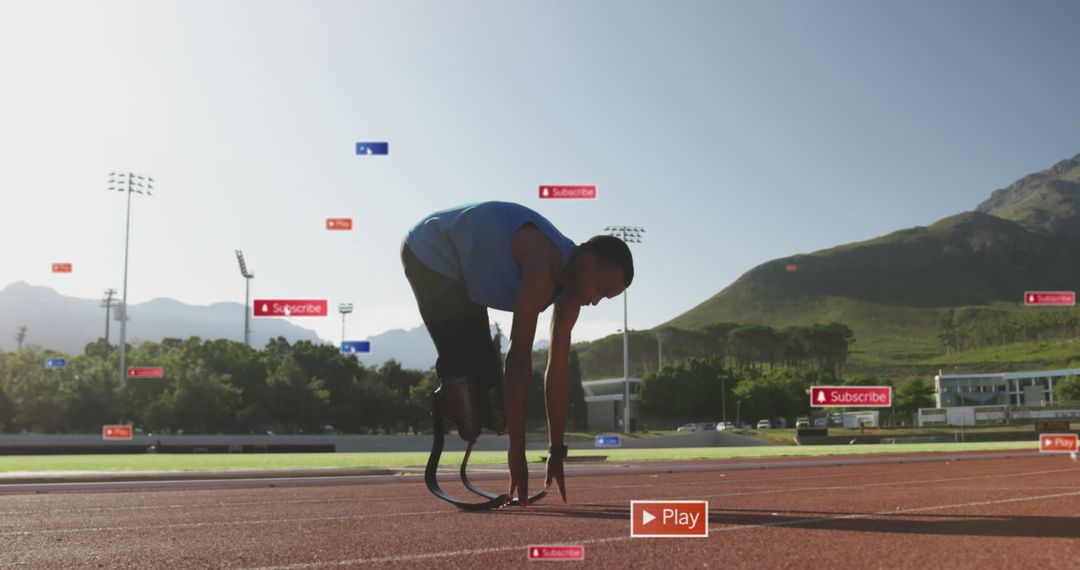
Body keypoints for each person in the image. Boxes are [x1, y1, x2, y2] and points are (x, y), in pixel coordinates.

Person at [401, 201, 633, 506]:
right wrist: (517, 452)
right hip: (430, 250)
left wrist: (557, 451)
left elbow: (558, 371)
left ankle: (466, 397)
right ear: (589, 263)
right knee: (469, 378)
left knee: (497, 414)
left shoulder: (571, 295)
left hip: (465, 280)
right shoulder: (544, 263)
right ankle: (453, 390)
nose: (596, 302)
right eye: (601, 290)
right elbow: (519, 357)